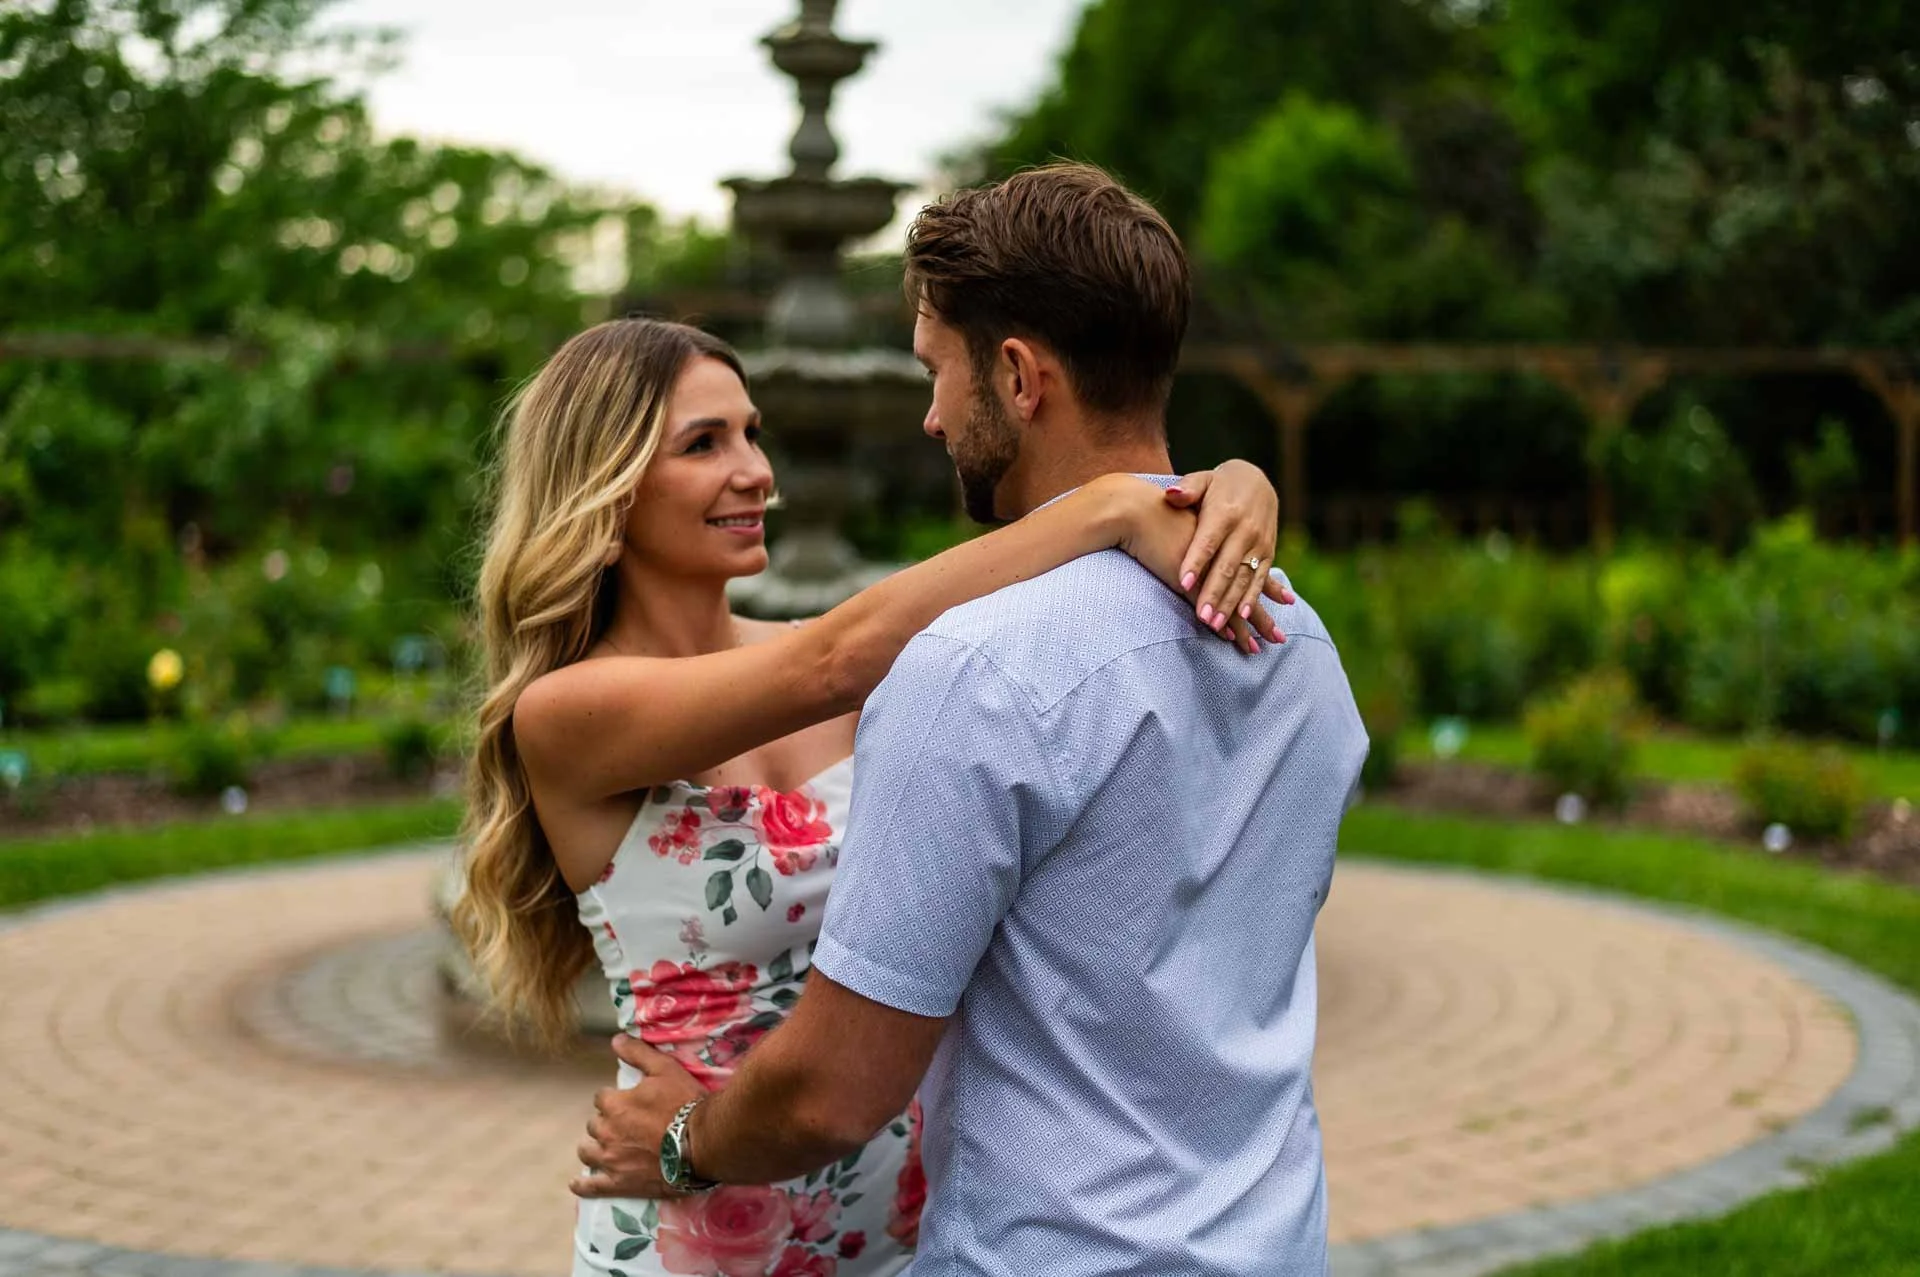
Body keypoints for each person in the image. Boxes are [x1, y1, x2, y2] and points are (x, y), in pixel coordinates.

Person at [572, 164, 1368, 1277]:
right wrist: (1215, 479)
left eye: (938, 371)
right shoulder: (1303, 645)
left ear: (1019, 376)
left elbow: (839, 1088)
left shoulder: (976, 670)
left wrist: (680, 1138)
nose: (934, 415)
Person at [451, 314, 1293, 1277]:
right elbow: (836, 657)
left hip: (907, 1240)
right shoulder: (567, 713)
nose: (756, 472)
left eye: (753, 432)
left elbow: (908, 635)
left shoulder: (846, 655)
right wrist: (1111, 505)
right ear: (607, 485)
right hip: (695, 1240)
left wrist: (1226, 486)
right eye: (703, 443)